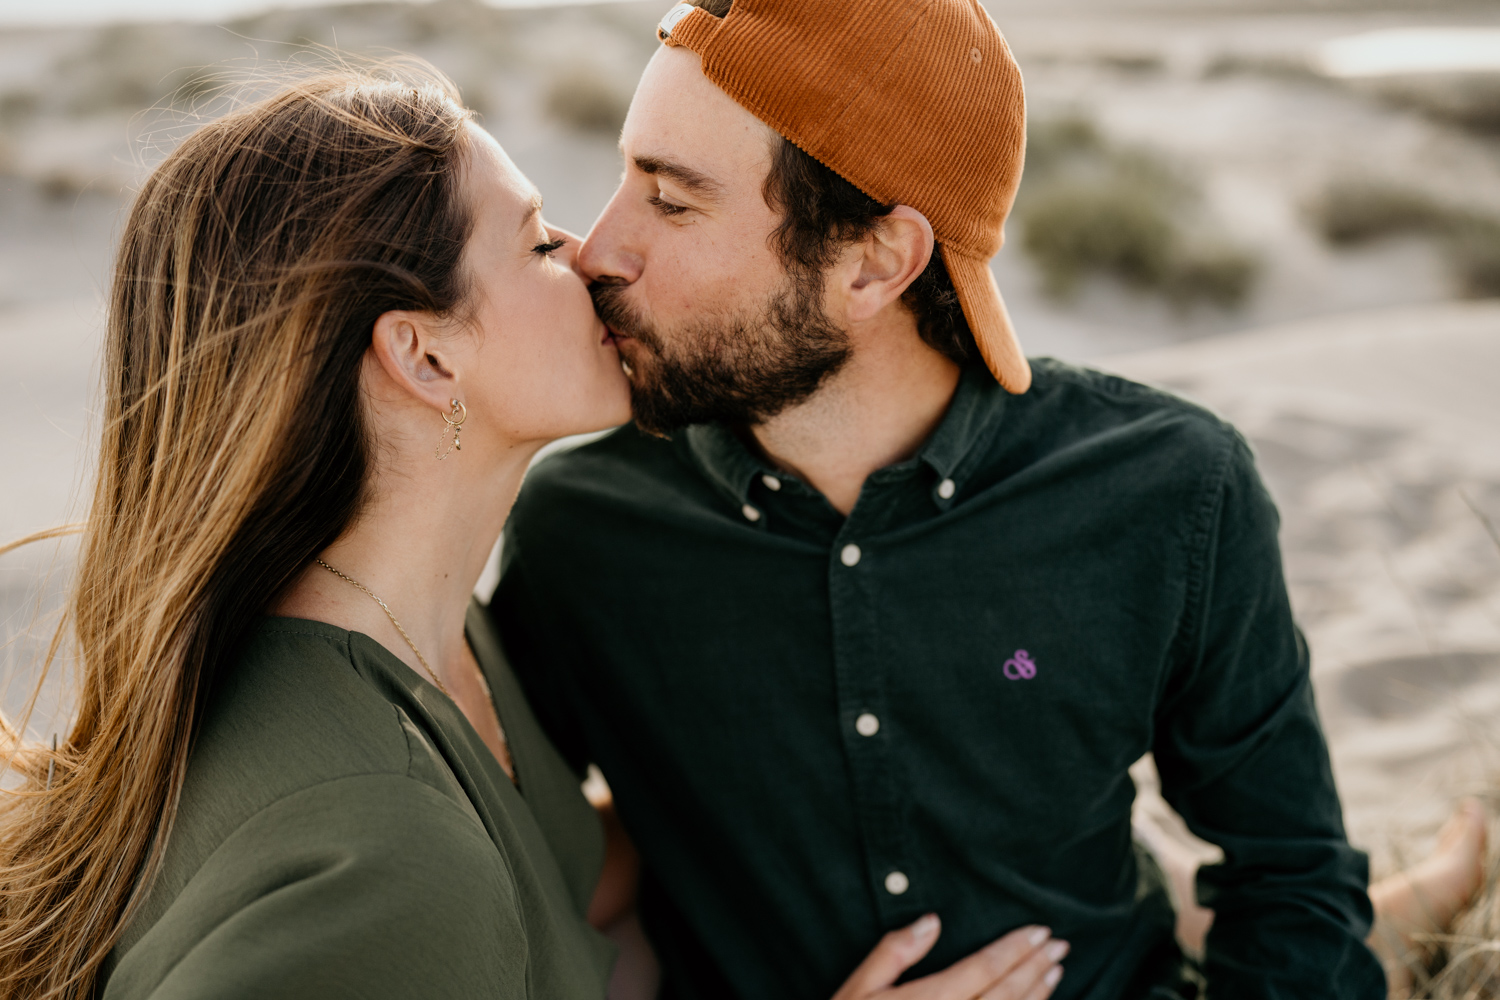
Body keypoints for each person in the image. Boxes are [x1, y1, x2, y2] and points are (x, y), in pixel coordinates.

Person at [0, 67, 1070, 1000]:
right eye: (537, 240)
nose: (595, 254)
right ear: (426, 360)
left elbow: (584, 911)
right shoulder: (386, 859)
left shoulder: (440, 638)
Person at [492, 0, 1388, 997]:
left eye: (672, 199)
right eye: (626, 175)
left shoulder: (1172, 490)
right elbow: (512, 887)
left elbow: (1293, 879)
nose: (596, 249)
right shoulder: (582, 533)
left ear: (878, 260)